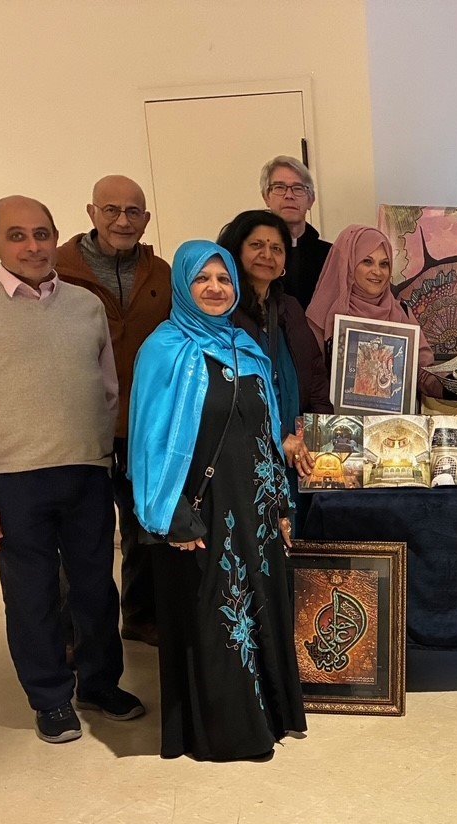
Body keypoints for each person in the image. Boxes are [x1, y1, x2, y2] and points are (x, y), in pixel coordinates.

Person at [0, 196, 144, 744]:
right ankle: (50, 698)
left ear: (56, 237)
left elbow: (106, 390)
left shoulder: (85, 306)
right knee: (32, 595)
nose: (33, 246)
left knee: (96, 588)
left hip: (85, 472)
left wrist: (98, 454)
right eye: (18, 235)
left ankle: (100, 684)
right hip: (11, 480)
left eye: (42, 234)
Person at [129, 241, 308, 761]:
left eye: (223, 279)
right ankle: (227, 732)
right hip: (200, 510)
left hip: (254, 507)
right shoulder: (164, 350)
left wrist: (281, 506)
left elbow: (266, 434)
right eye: (202, 279)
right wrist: (173, 517)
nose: (214, 288)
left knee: (260, 608)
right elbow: (148, 442)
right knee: (216, 616)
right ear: (183, 287)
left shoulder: (243, 345)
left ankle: (268, 717)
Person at [55, 175, 172, 644]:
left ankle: (140, 615)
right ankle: (72, 633)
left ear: (146, 219)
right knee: (82, 533)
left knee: (144, 524)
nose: (123, 221)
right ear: (91, 213)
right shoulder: (58, 270)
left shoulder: (161, 273)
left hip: (143, 423)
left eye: (133, 212)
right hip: (79, 424)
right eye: (111, 210)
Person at [217, 210, 329, 507]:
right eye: (257, 245)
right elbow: (225, 392)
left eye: (276, 248)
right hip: (245, 450)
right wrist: (277, 436)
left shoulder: (290, 308)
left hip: (296, 450)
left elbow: (314, 372)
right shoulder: (223, 312)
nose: (267, 255)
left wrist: (320, 432)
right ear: (237, 251)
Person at [305, 224, 445, 399]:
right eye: (367, 261)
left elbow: (422, 374)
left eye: (384, 264)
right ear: (349, 264)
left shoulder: (401, 313)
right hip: (335, 415)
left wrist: (453, 389)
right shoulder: (322, 316)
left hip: (393, 416)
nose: (377, 271)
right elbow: (311, 380)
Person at [261, 155, 331, 310]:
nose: (289, 195)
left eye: (298, 188)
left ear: (311, 200)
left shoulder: (331, 256)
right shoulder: (254, 254)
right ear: (266, 197)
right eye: (279, 187)